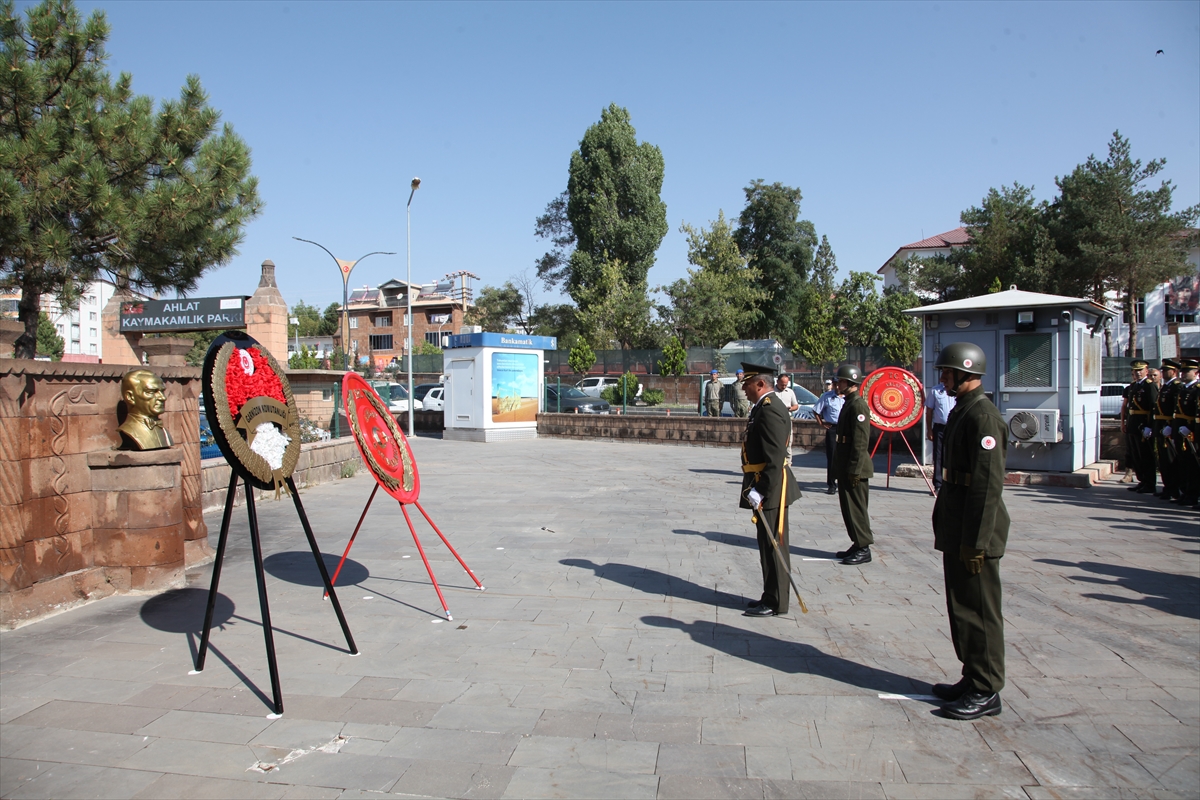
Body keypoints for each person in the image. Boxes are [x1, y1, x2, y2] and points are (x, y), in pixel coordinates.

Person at [929, 341, 1009, 721]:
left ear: (967, 372)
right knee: (962, 608)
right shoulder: (964, 409)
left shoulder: (983, 417)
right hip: (958, 523)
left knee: (979, 611)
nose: (942, 378)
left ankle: (987, 688)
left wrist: (976, 542)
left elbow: (988, 485)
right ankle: (972, 674)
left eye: (947, 372)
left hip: (975, 532)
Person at [738, 362, 801, 617]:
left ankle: (776, 602)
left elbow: (775, 458)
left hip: (772, 487)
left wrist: (761, 490)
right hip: (764, 483)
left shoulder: (771, 409)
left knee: (774, 543)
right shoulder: (762, 407)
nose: (744, 389)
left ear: (760, 384)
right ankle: (770, 594)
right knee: (766, 543)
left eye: (747, 384)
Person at [832, 363, 873, 565]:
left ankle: (864, 547)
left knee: (856, 508)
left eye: (840, 380)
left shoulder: (858, 405)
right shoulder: (849, 402)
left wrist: (855, 469)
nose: (837, 384)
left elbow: (860, 441)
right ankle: (857, 543)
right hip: (846, 464)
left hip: (855, 467)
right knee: (848, 508)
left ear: (850, 382)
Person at [1122, 360, 1158, 494]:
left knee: (1146, 456)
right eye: (1135, 371)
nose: (1137, 373)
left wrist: (1150, 426)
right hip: (1133, 424)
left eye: (1140, 370)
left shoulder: (1149, 386)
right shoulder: (1133, 386)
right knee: (1136, 455)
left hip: (1143, 425)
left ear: (1146, 371)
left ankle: (1150, 483)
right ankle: (1142, 481)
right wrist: (1126, 423)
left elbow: (1154, 407)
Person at [117, 369, 174, 450]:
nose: (163, 398)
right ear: (130, 397)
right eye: (151, 392)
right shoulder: (129, 430)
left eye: (162, 391)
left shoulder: (163, 430)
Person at [1173, 358, 1200, 508]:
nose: (1183, 374)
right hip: (1181, 430)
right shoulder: (1183, 389)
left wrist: (1189, 427)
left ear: (1196, 372)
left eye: (1186, 371)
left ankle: (1193, 494)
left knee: (1192, 465)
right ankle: (1186, 492)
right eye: (1182, 371)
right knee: (1184, 464)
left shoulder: (1196, 389)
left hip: (1191, 432)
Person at [1154, 359, 1181, 501]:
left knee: (1171, 460)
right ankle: (1167, 487)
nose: (1163, 373)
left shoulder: (1176, 386)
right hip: (1161, 425)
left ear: (1174, 371)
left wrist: (1171, 425)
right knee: (1163, 460)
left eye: (1166, 370)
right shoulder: (1166, 386)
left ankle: (1174, 488)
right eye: (1162, 370)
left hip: (1168, 426)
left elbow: (1176, 408)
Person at [812, 378, 845, 495]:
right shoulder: (827, 396)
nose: (837, 387)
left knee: (844, 456)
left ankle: (843, 481)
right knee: (832, 456)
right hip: (833, 428)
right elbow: (816, 411)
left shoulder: (847, 397)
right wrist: (821, 423)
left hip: (846, 429)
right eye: (835, 384)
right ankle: (831, 484)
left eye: (839, 384)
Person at [925, 378, 956, 494]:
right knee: (938, 456)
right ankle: (938, 485)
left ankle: (950, 483)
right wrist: (929, 430)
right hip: (939, 428)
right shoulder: (935, 391)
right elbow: (929, 411)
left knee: (952, 455)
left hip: (953, 427)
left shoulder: (956, 391)